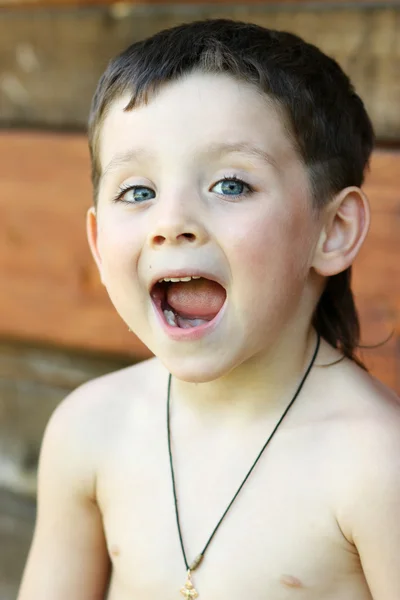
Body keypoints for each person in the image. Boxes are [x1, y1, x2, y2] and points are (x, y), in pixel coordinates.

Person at [17, 19, 400, 600]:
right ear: (98, 243)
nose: (171, 224)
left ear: (333, 230)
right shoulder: (90, 431)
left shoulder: (375, 466)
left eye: (229, 185)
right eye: (138, 192)